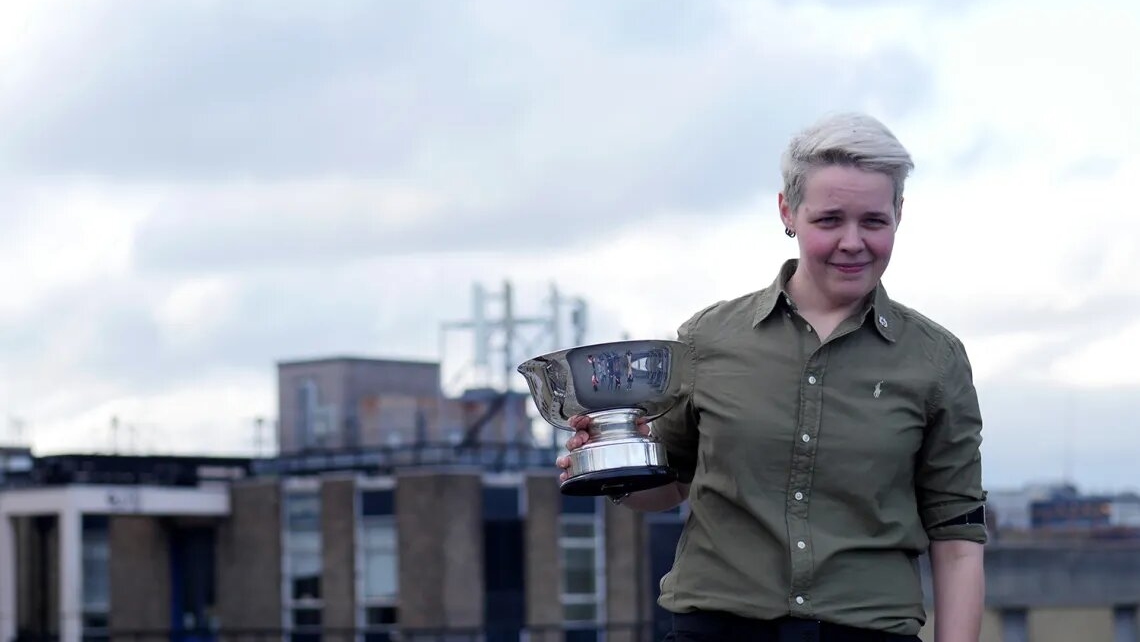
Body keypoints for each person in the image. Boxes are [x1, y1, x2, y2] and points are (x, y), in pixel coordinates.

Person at [557, 112, 987, 642]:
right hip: (716, 628)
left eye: (873, 221)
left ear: (899, 214)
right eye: (830, 220)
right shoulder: (707, 339)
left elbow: (958, 538)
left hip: (867, 631)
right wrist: (612, 468)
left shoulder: (935, 360)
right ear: (788, 211)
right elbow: (671, 484)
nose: (853, 242)